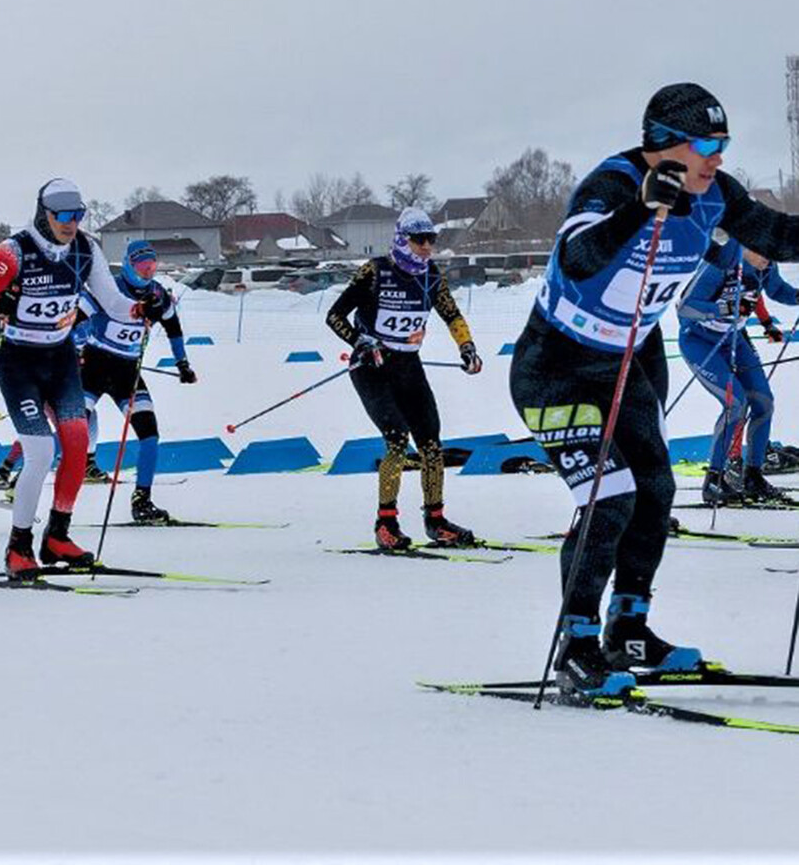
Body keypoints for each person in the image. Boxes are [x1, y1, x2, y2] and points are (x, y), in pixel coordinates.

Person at [509, 82, 799, 697]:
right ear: (665, 144)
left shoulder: (716, 194)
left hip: (623, 363)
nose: (718, 158)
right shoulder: (612, 185)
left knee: (656, 490)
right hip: (554, 367)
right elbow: (578, 258)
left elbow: (776, 235)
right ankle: (577, 647)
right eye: (707, 146)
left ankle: (628, 630)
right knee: (610, 496)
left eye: (724, 145)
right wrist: (641, 209)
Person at [0, 178, 163, 578]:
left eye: (78, 215)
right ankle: (18, 545)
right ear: (45, 214)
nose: (72, 223)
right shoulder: (13, 252)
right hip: (20, 362)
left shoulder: (86, 249)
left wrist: (141, 309)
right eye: (63, 216)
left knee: (77, 442)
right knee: (39, 452)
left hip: (61, 359)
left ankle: (57, 536)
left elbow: (113, 302)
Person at [326, 208, 483, 550]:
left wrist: (467, 347)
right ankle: (386, 524)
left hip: (408, 366)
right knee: (397, 440)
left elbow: (452, 314)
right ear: (402, 239)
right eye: (419, 239)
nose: (426, 246)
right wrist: (361, 342)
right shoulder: (375, 271)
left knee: (431, 443)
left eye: (431, 239)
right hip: (371, 367)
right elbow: (335, 315)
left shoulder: (431, 275)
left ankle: (436, 520)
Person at [78, 240, 197, 523]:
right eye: (142, 266)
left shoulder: (157, 294)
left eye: (152, 266)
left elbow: (174, 328)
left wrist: (182, 364)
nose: (147, 271)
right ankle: (21, 480)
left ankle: (142, 500)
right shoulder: (109, 289)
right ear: (129, 265)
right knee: (71, 431)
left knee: (150, 435)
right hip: (93, 368)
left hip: (127, 373)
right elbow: (74, 318)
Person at [677, 237, 799, 503]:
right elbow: (685, 307)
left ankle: (753, 476)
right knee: (735, 403)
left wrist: (796, 296)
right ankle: (714, 480)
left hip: (734, 338)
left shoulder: (765, 264)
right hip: (700, 341)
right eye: (763, 253)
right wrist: (726, 308)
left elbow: (777, 289)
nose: (767, 260)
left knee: (764, 403)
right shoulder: (721, 264)